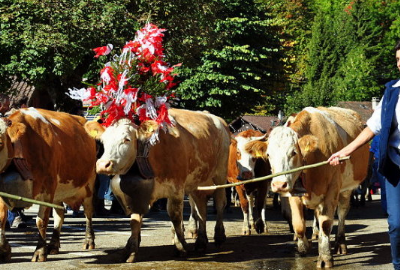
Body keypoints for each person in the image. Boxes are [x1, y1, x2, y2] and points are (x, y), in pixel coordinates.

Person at [328, 40, 400, 270]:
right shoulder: (392, 92)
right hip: (395, 164)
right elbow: (372, 127)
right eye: (398, 60)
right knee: (396, 224)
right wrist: (345, 151)